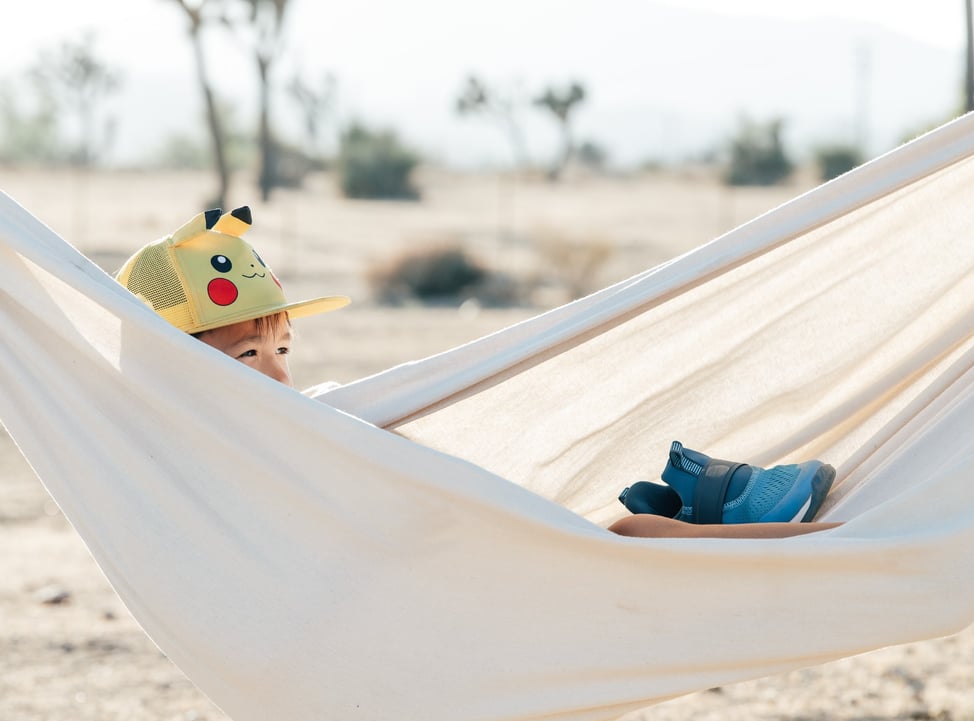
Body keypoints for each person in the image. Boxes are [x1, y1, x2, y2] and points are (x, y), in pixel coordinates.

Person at [116, 206, 843, 541]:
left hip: (443, 540)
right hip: (418, 574)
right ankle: (770, 536)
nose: (279, 378)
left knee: (606, 529)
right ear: (178, 368)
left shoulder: (283, 426)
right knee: (621, 537)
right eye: (249, 356)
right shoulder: (208, 460)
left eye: (283, 352)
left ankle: (725, 525)